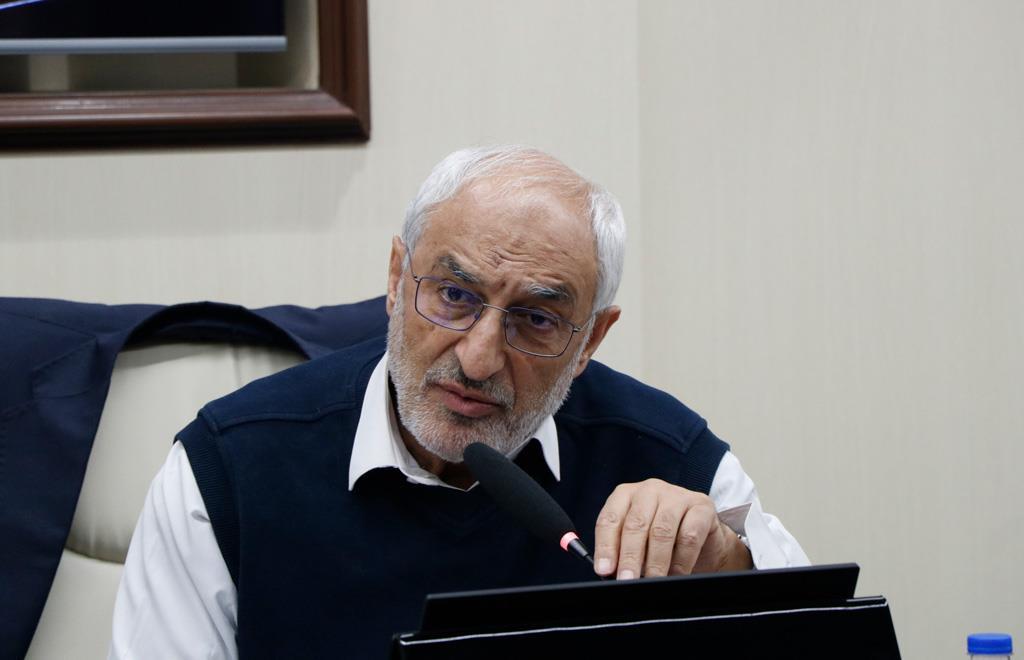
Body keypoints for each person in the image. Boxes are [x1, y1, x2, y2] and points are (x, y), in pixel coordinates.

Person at [109, 146, 808, 659]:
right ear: (395, 279)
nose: (478, 359)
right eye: (453, 295)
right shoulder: (229, 469)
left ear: (590, 340)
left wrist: (725, 565)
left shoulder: (667, 456)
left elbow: (816, 627)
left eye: (536, 319)